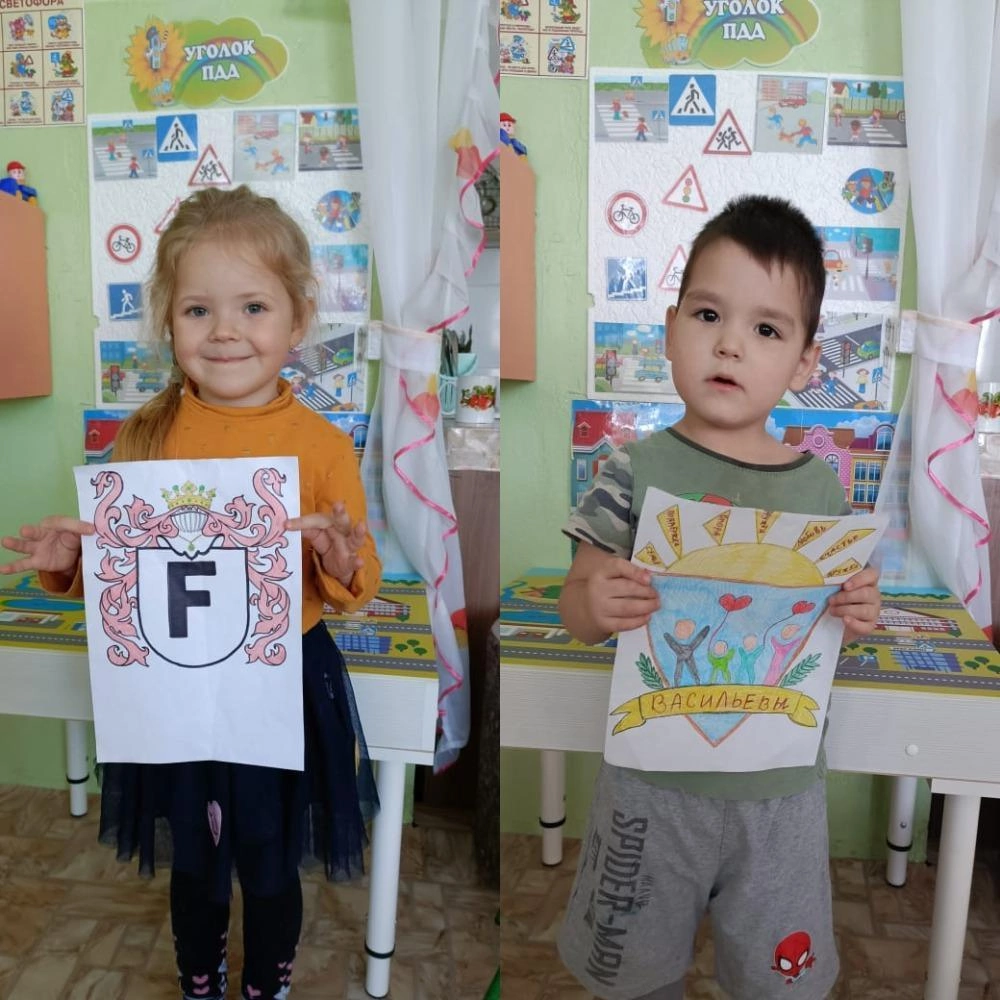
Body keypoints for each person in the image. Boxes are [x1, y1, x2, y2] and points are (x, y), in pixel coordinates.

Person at [0, 185, 382, 1000]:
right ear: (169, 323)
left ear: (298, 320)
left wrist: (341, 558)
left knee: (270, 857)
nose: (226, 331)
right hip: (173, 687)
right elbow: (124, 576)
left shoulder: (322, 445)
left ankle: (267, 981)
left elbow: (358, 581)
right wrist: (69, 562)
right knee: (195, 858)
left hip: (282, 682)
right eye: (198, 310)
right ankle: (198, 977)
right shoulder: (144, 436)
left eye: (253, 307)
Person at [556, 194, 881, 1000]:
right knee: (633, 979)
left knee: (777, 983)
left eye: (767, 329)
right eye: (708, 315)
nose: (730, 343)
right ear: (670, 331)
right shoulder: (631, 471)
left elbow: (834, 630)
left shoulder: (822, 493)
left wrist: (857, 613)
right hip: (649, 792)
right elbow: (576, 605)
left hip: (780, 798)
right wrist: (596, 604)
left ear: (804, 363)